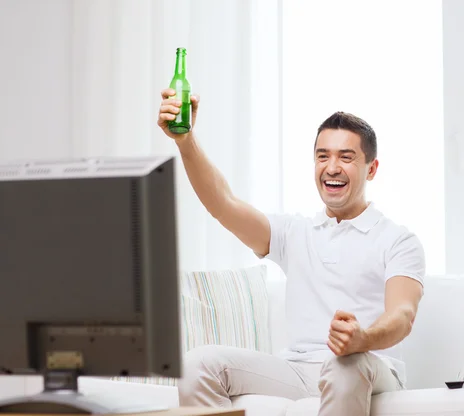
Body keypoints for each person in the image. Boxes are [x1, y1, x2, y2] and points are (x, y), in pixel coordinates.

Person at [157, 88, 426, 416]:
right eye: (323, 156)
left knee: (345, 364)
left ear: (371, 169)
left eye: (346, 156)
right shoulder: (294, 233)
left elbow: (402, 316)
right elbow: (223, 204)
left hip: (370, 365)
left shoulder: (397, 240)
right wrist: (185, 141)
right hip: (299, 370)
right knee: (197, 364)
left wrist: (363, 339)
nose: (331, 167)